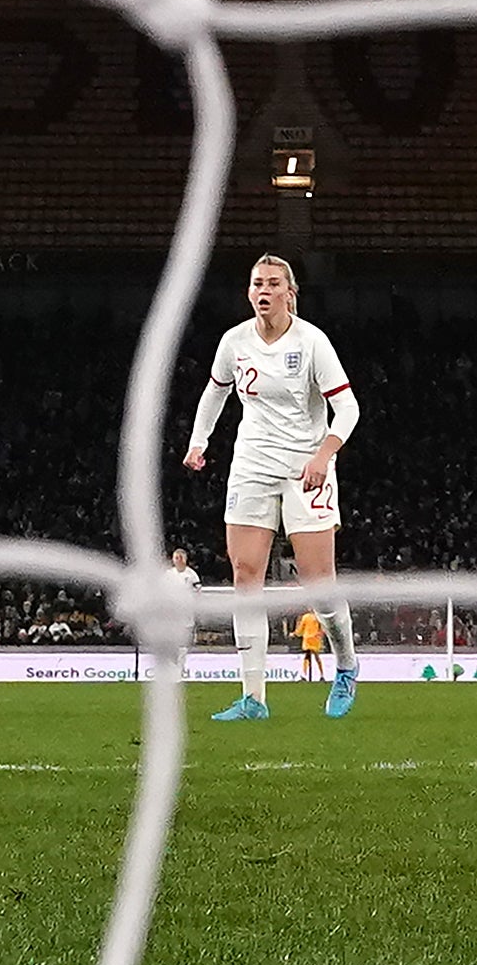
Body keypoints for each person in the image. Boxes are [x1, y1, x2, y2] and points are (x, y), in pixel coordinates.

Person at [183, 253, 361, 721]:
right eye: (257, 283)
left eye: (273, 284)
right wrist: (199, 440)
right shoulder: (234, 341)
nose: (264, 291)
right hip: (252, 464)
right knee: (245, 577)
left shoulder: (312, 343)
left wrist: (325, 454)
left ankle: (346, 664)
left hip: (306, 466)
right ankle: (253, 698)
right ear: (249, 292)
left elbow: (349, 410)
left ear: (290, 293)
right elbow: (216, 389)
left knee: (318, 583)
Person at [165, 548, 201, 677]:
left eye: (181, 557)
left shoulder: (191, 575)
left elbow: (198, 592)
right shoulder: (168, 574)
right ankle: (170, 666)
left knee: (183, 640)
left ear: (185, 559)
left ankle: (180, 667)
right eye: (176, 557)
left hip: (186, 612)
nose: (178, 560)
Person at [296, 607, 325, 682]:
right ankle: (306, 675)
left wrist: (296, 633)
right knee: (310, 656)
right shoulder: (308, 617)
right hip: (310, 638)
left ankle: (320, 675)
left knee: (313, 657)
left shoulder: (317, 616)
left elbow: (322, 628)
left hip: (312, 638)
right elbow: (301, 628)